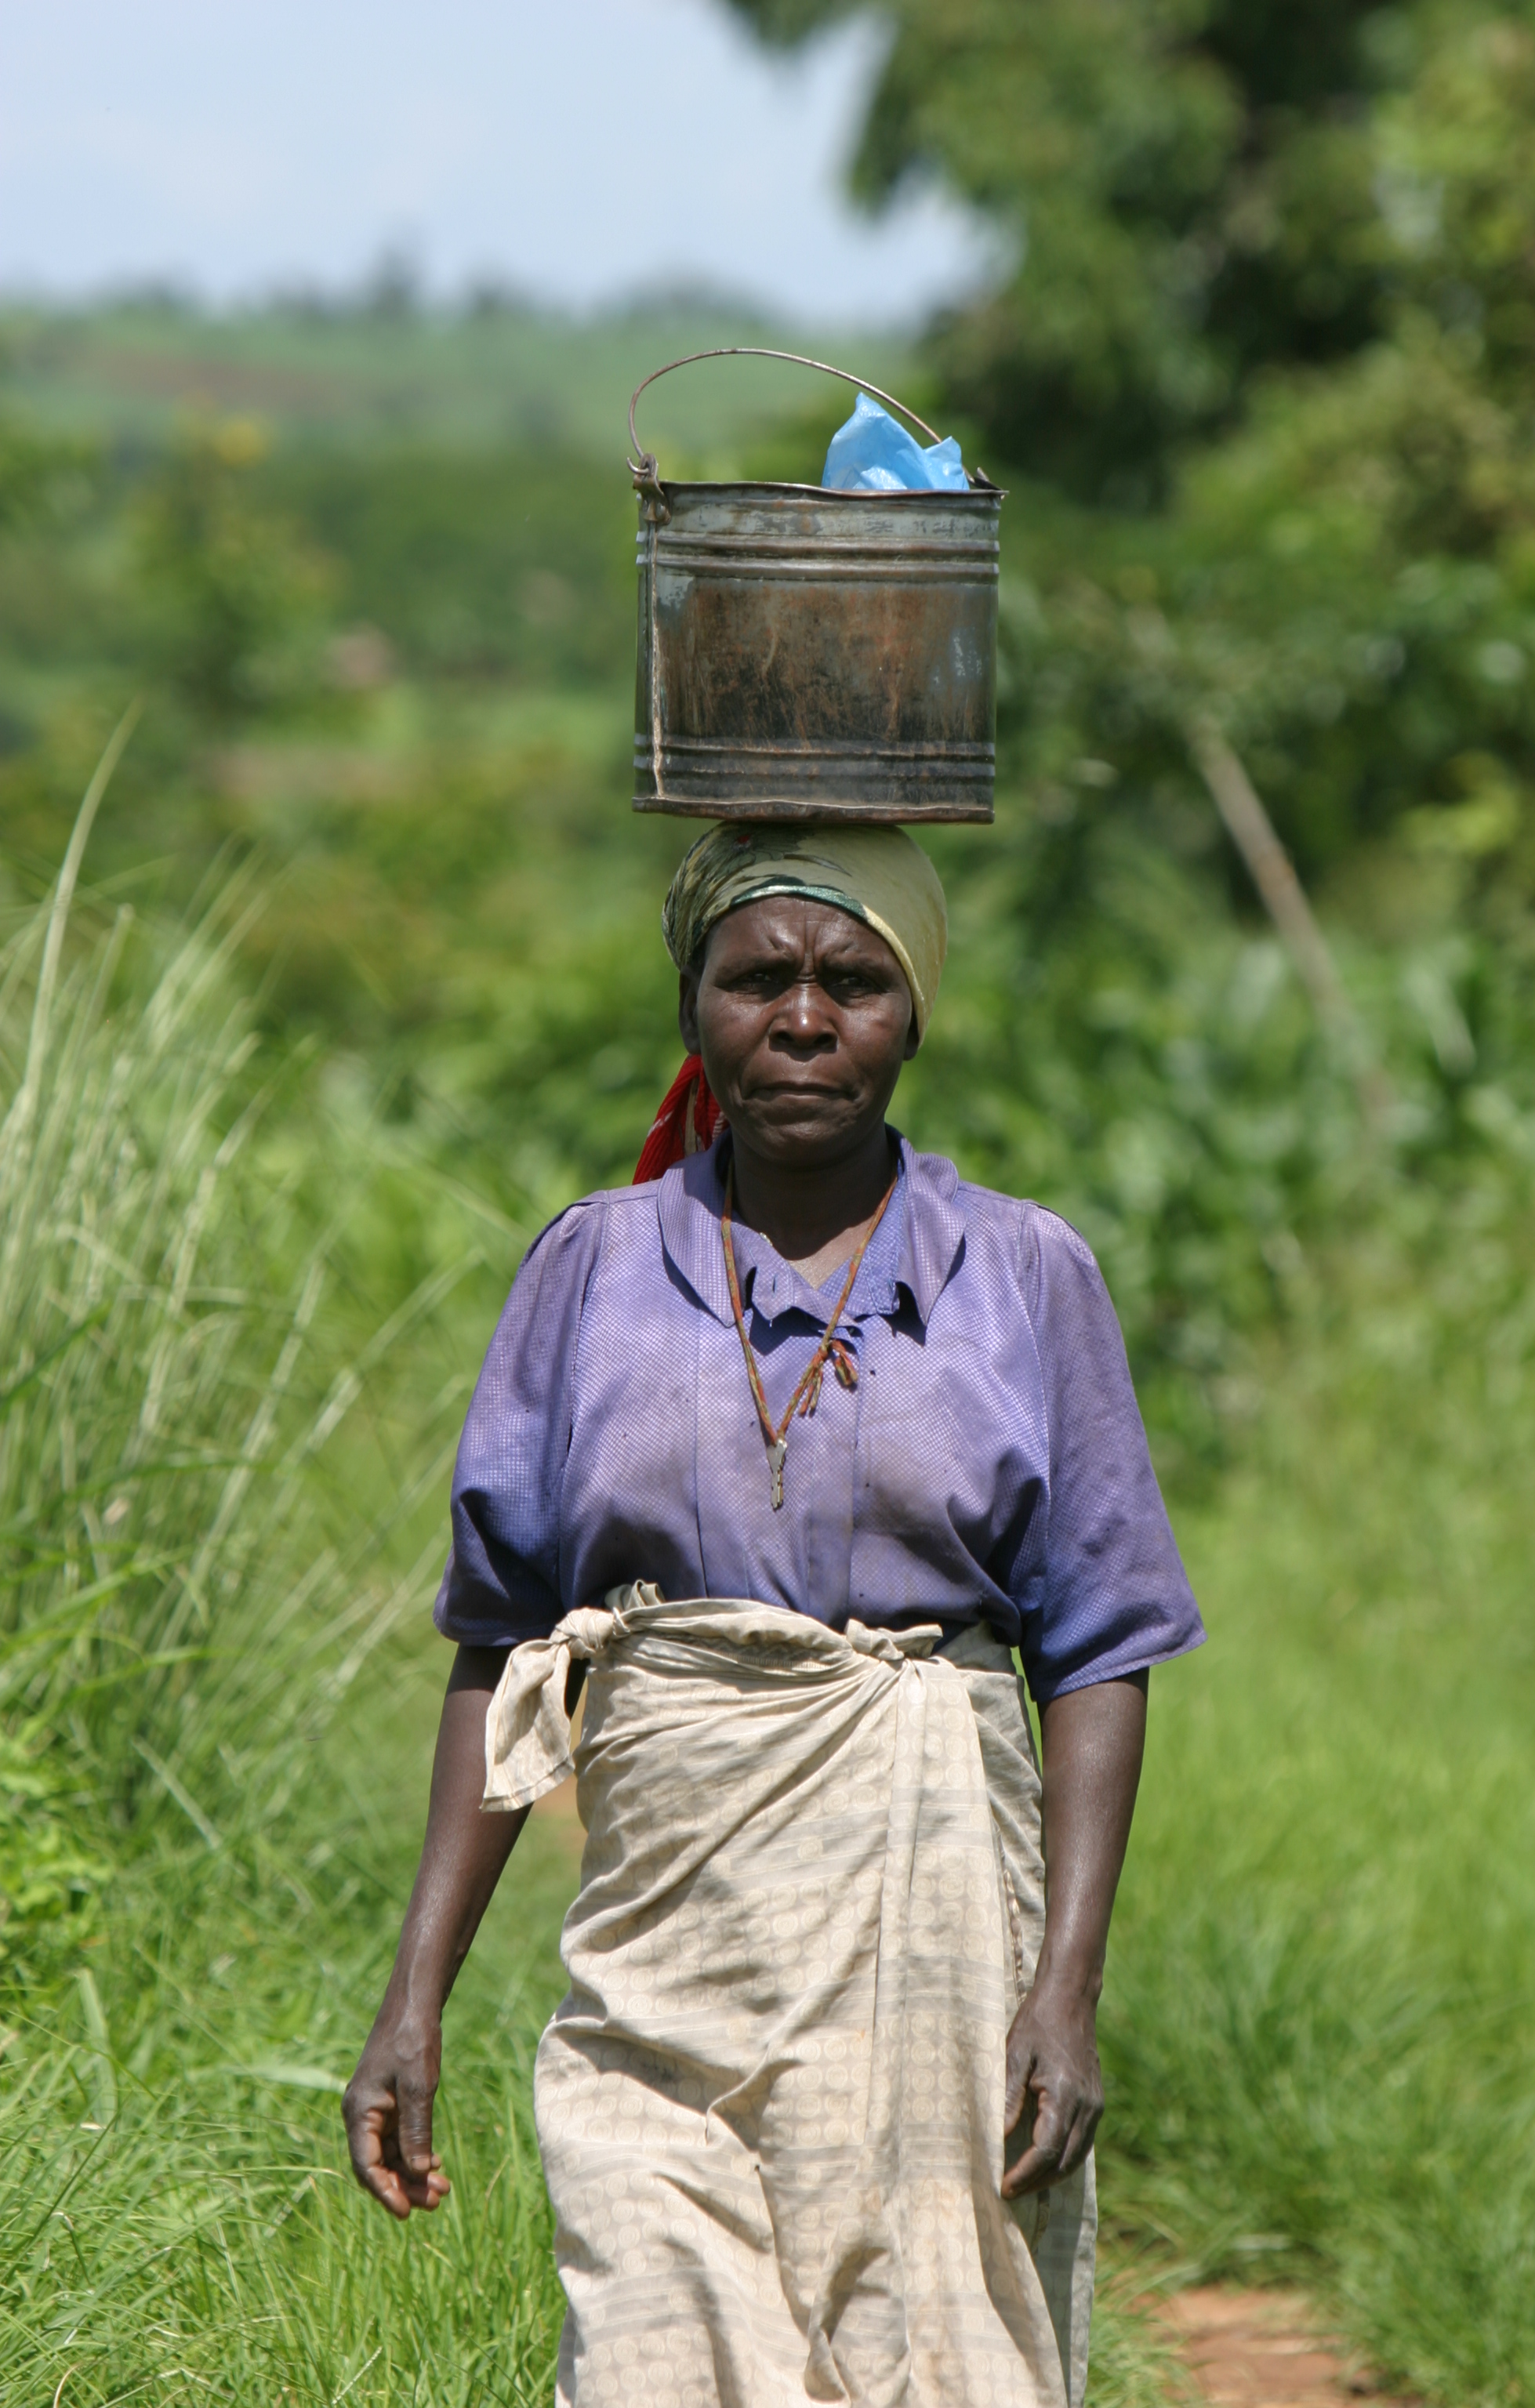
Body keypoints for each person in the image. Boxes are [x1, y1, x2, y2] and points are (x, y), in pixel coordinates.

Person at [343, 821, 1204, 2408]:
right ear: (696, 1012)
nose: (804, 1019)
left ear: (913, 1014)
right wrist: (416, 1996)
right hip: (664, 1943)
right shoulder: (590, 1269)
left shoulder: (1021, 1272)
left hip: (935, 1921)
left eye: (854, 982)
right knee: (650, 2323)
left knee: (935, 2341)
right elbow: (501, 1640)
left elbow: (1100, 1644)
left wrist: (1063, 1992)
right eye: (758, 979)